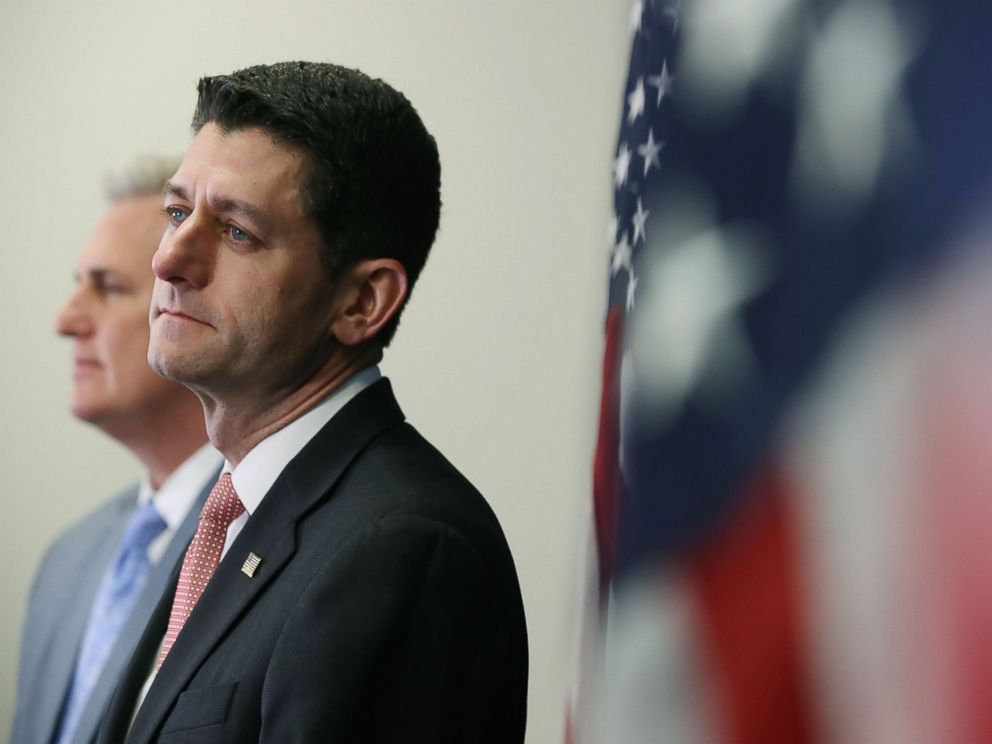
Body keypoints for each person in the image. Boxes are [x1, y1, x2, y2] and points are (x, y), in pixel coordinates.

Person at [97, 62, 528, 744]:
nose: (169, 260)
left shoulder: (403, 550)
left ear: (362, 302)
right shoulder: (229, 512)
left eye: (237, 231)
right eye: (178, 212)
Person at [12, 159, 223, 744]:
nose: (66, 320)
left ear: (184, 307)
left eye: (106, 287)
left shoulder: (252, 543)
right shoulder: (69, 560)